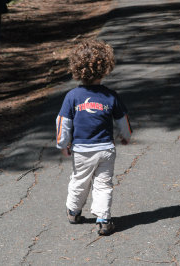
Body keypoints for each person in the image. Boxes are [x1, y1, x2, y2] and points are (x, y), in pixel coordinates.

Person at [56, 40, 132, 236]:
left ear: (76, 68)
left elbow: (63, 122)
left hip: (82, 150)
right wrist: (126, 136)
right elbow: (123, 119)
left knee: (79, 180)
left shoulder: (72, 96)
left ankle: (73, 211)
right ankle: (103, 219)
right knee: (103, 184)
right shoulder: (110, 96)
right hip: (106, 149)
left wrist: (63, 144)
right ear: (106, 68)